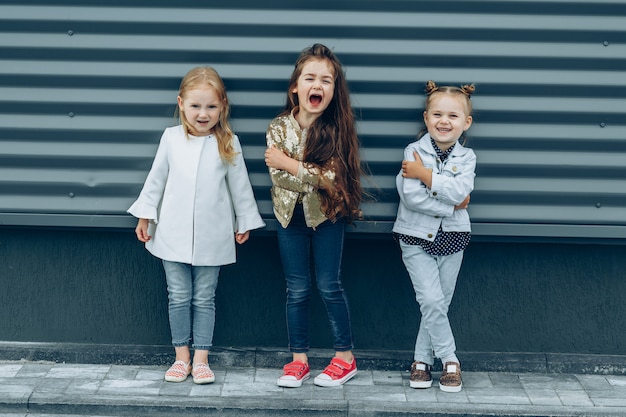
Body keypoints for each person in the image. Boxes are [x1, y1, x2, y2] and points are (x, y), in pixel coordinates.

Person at [128, 66, 265, 385]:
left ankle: (201, 358)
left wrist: (245, 219)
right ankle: (181, 357)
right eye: (195, 106)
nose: (203, 114)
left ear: (223, 106)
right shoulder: (171, 138)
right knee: (177, 294)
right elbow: (156, 179)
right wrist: (145, 214)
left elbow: (239, 185)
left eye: (211, 106)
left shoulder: (228, 141)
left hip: (213, 235)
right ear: (181, 104)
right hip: (172, 233)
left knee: (204, 296)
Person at [264, 44, 364, 388]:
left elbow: (334, 180)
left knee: (328, 285)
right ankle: (298, 360)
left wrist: (291, 164)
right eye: (310, 78)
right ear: (296, 86)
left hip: (327, 219)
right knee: (297, 289)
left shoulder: (336, 129)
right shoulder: (278, 127)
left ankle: (345, 358)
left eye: (326, 80)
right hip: (289, 219)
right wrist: (315, 174)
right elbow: (280, 178)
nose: (316, 84)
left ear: (334, 91)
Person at [392, 80, 476, 393]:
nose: (444, 121)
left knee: (439, 303)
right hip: (414, 236)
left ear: (466, 123)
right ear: (426, 118)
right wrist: (451, 202)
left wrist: (426, 176)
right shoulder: (413, 151)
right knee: (430, 298)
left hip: (454, 237)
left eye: (453, 116)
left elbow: (461, 190)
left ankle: (421, 362)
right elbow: (411, 198)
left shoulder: (467, 158)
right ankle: (450, 358)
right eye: (437, 114)